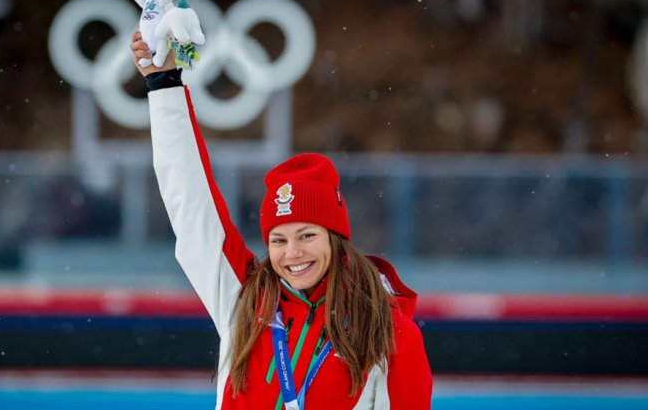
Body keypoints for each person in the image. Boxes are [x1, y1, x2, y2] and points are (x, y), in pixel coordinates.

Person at [131, 31, 432, 409]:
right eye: (279, 239)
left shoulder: (386, 330)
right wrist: (164, 85)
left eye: (306, 235)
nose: (292, 253)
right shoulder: (244, 298)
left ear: (334, 236)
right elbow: (190, 202)